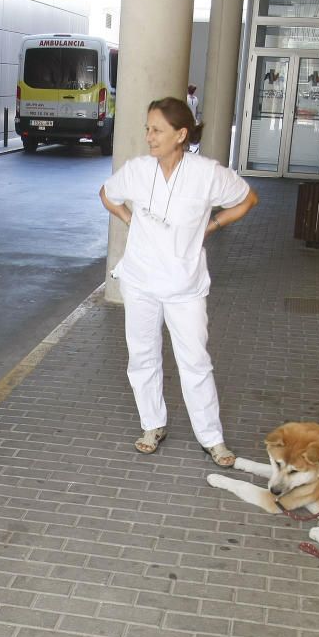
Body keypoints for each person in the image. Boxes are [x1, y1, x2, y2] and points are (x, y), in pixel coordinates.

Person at [99, 97, 258, 465]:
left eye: (157, 130)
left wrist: (212, 226)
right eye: (147, 128)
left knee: (195, 361)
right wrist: (129, 219)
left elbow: (248, 199)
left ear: (181, 134)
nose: (149, 136)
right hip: (139, 280)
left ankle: (212, 438)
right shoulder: (138, 170)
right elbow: (107, 195)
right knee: (142, 357)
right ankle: (152, 425)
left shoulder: (206, 173)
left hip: (184, 286)